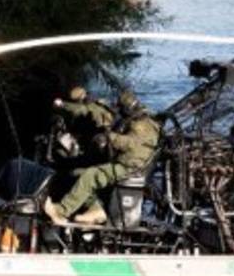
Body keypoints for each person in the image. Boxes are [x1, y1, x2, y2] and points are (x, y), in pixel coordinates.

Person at [45, 89, 160, 225]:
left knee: (90, 175)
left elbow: (130, 144)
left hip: (130, 168)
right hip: (127, 164)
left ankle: (61, 212)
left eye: (122, 109)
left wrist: (109, 137)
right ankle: (97, 210)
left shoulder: (142, 125)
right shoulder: (141, 121)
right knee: (79, 174)